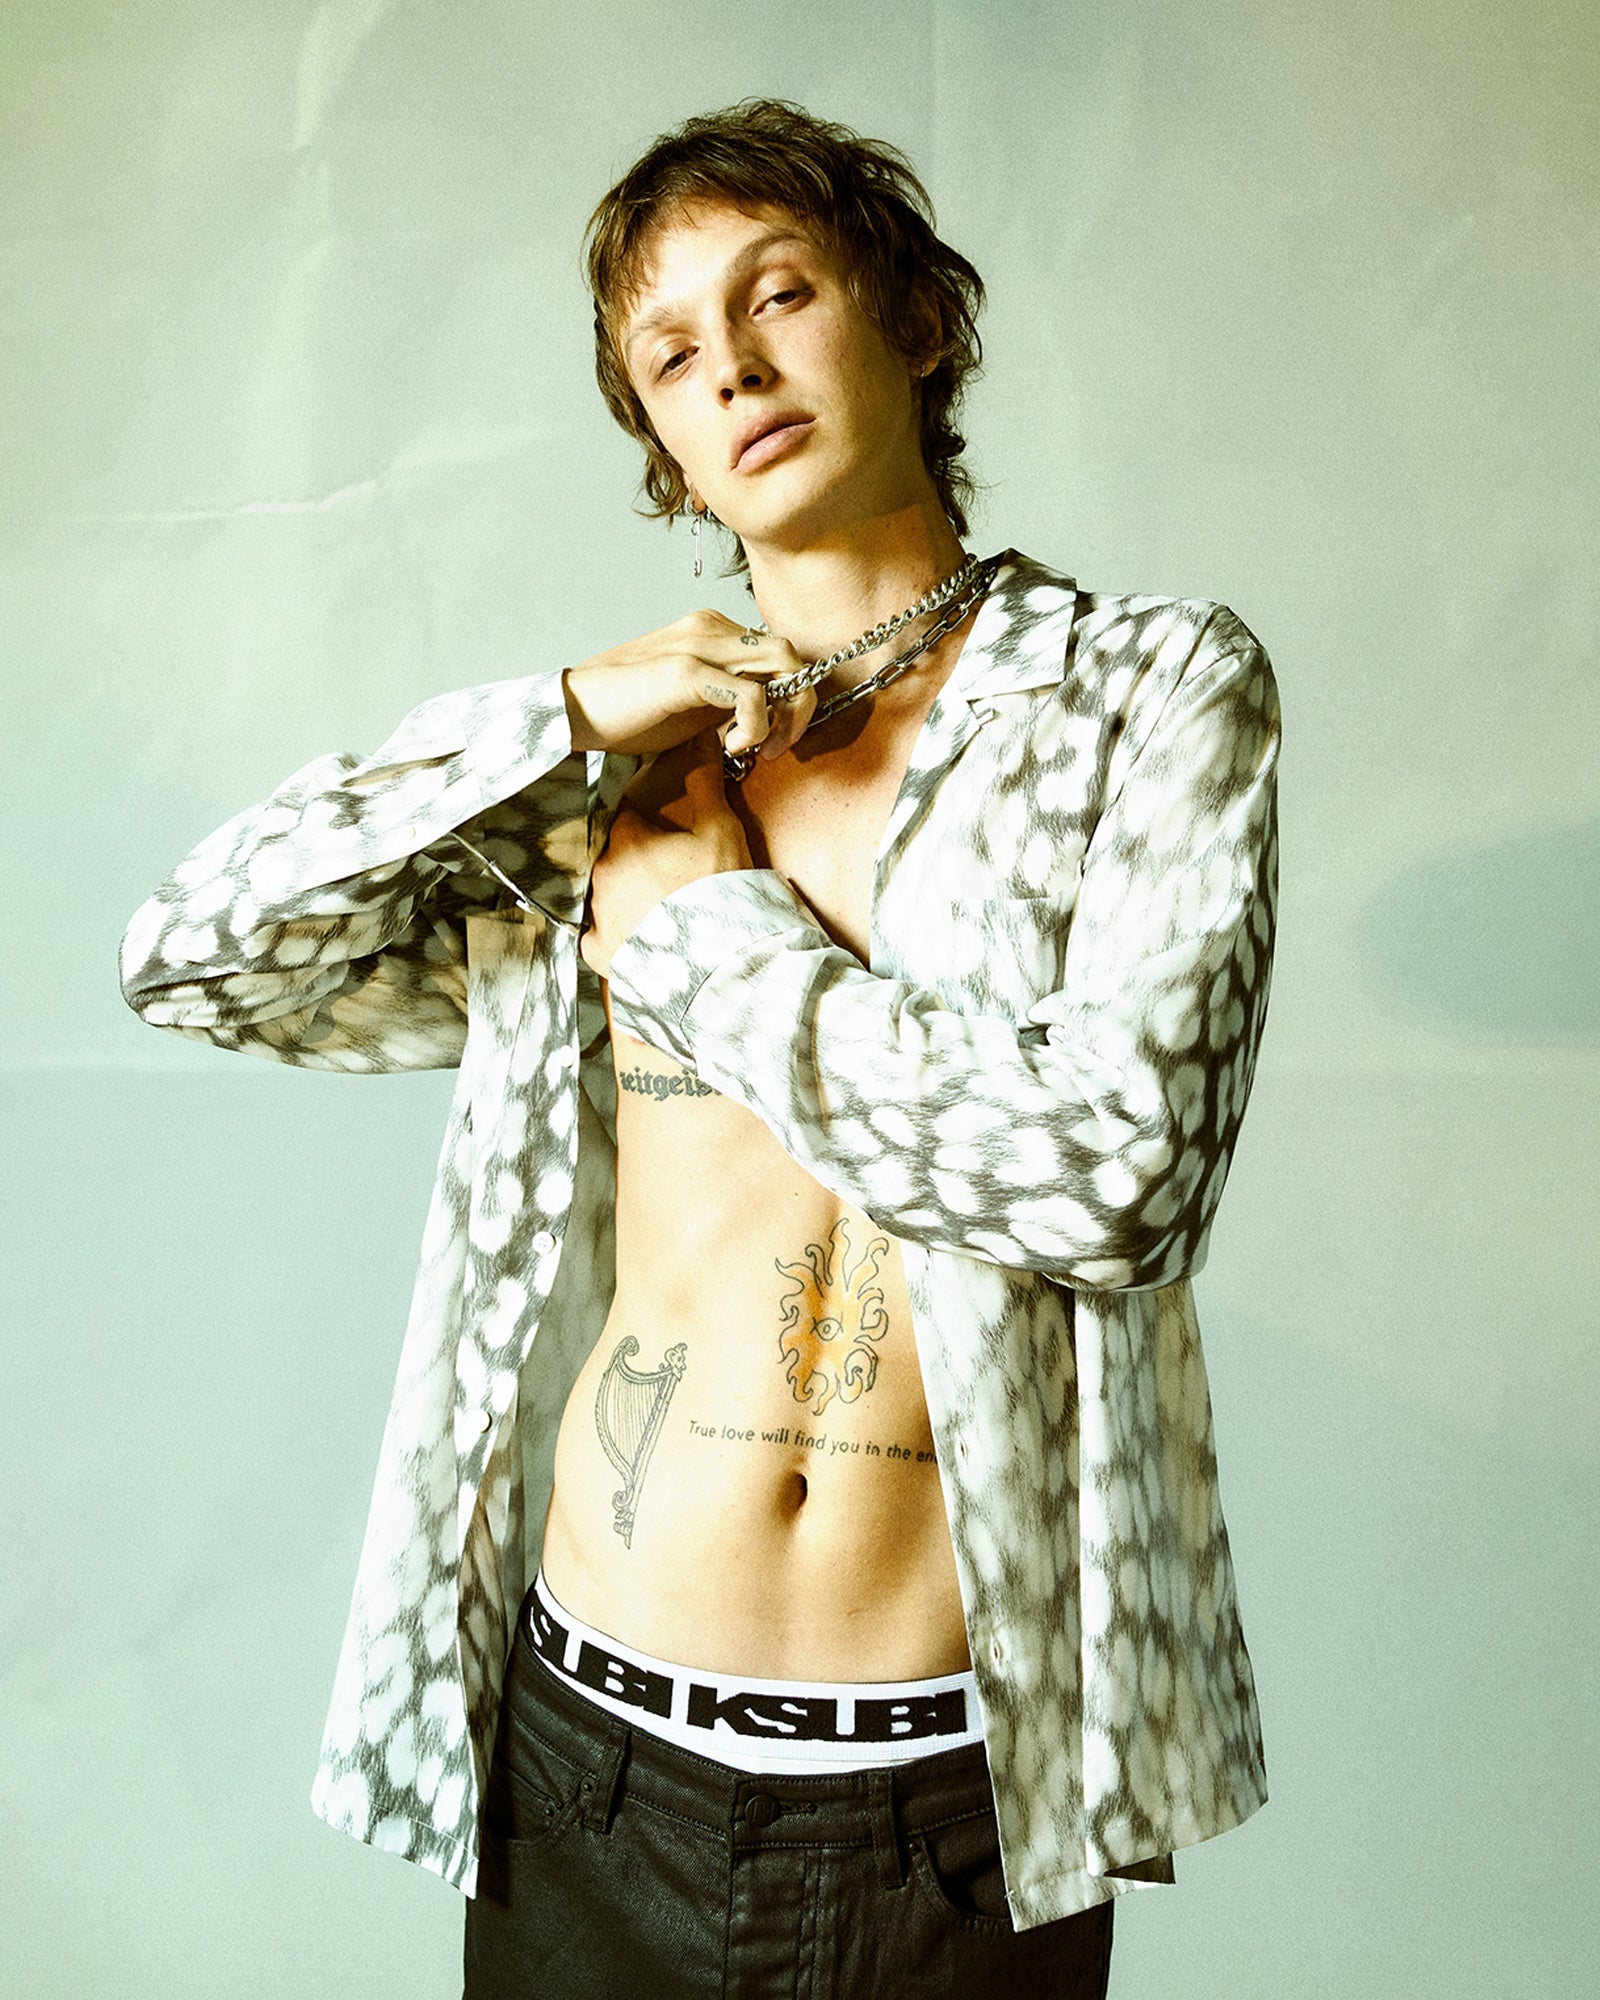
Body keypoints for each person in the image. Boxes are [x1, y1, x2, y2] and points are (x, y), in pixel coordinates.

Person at [119, 97, 1280, 1999]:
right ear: (658, 440)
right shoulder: (613, 786)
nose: (730, 366)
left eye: (780, 294)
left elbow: (1123, 1179)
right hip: (584, 1775)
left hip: (946, 1815)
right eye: (668, 355)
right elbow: (197, 959)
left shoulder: (1143, 693)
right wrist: (559, 712)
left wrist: (708, 945)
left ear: (916, 318)